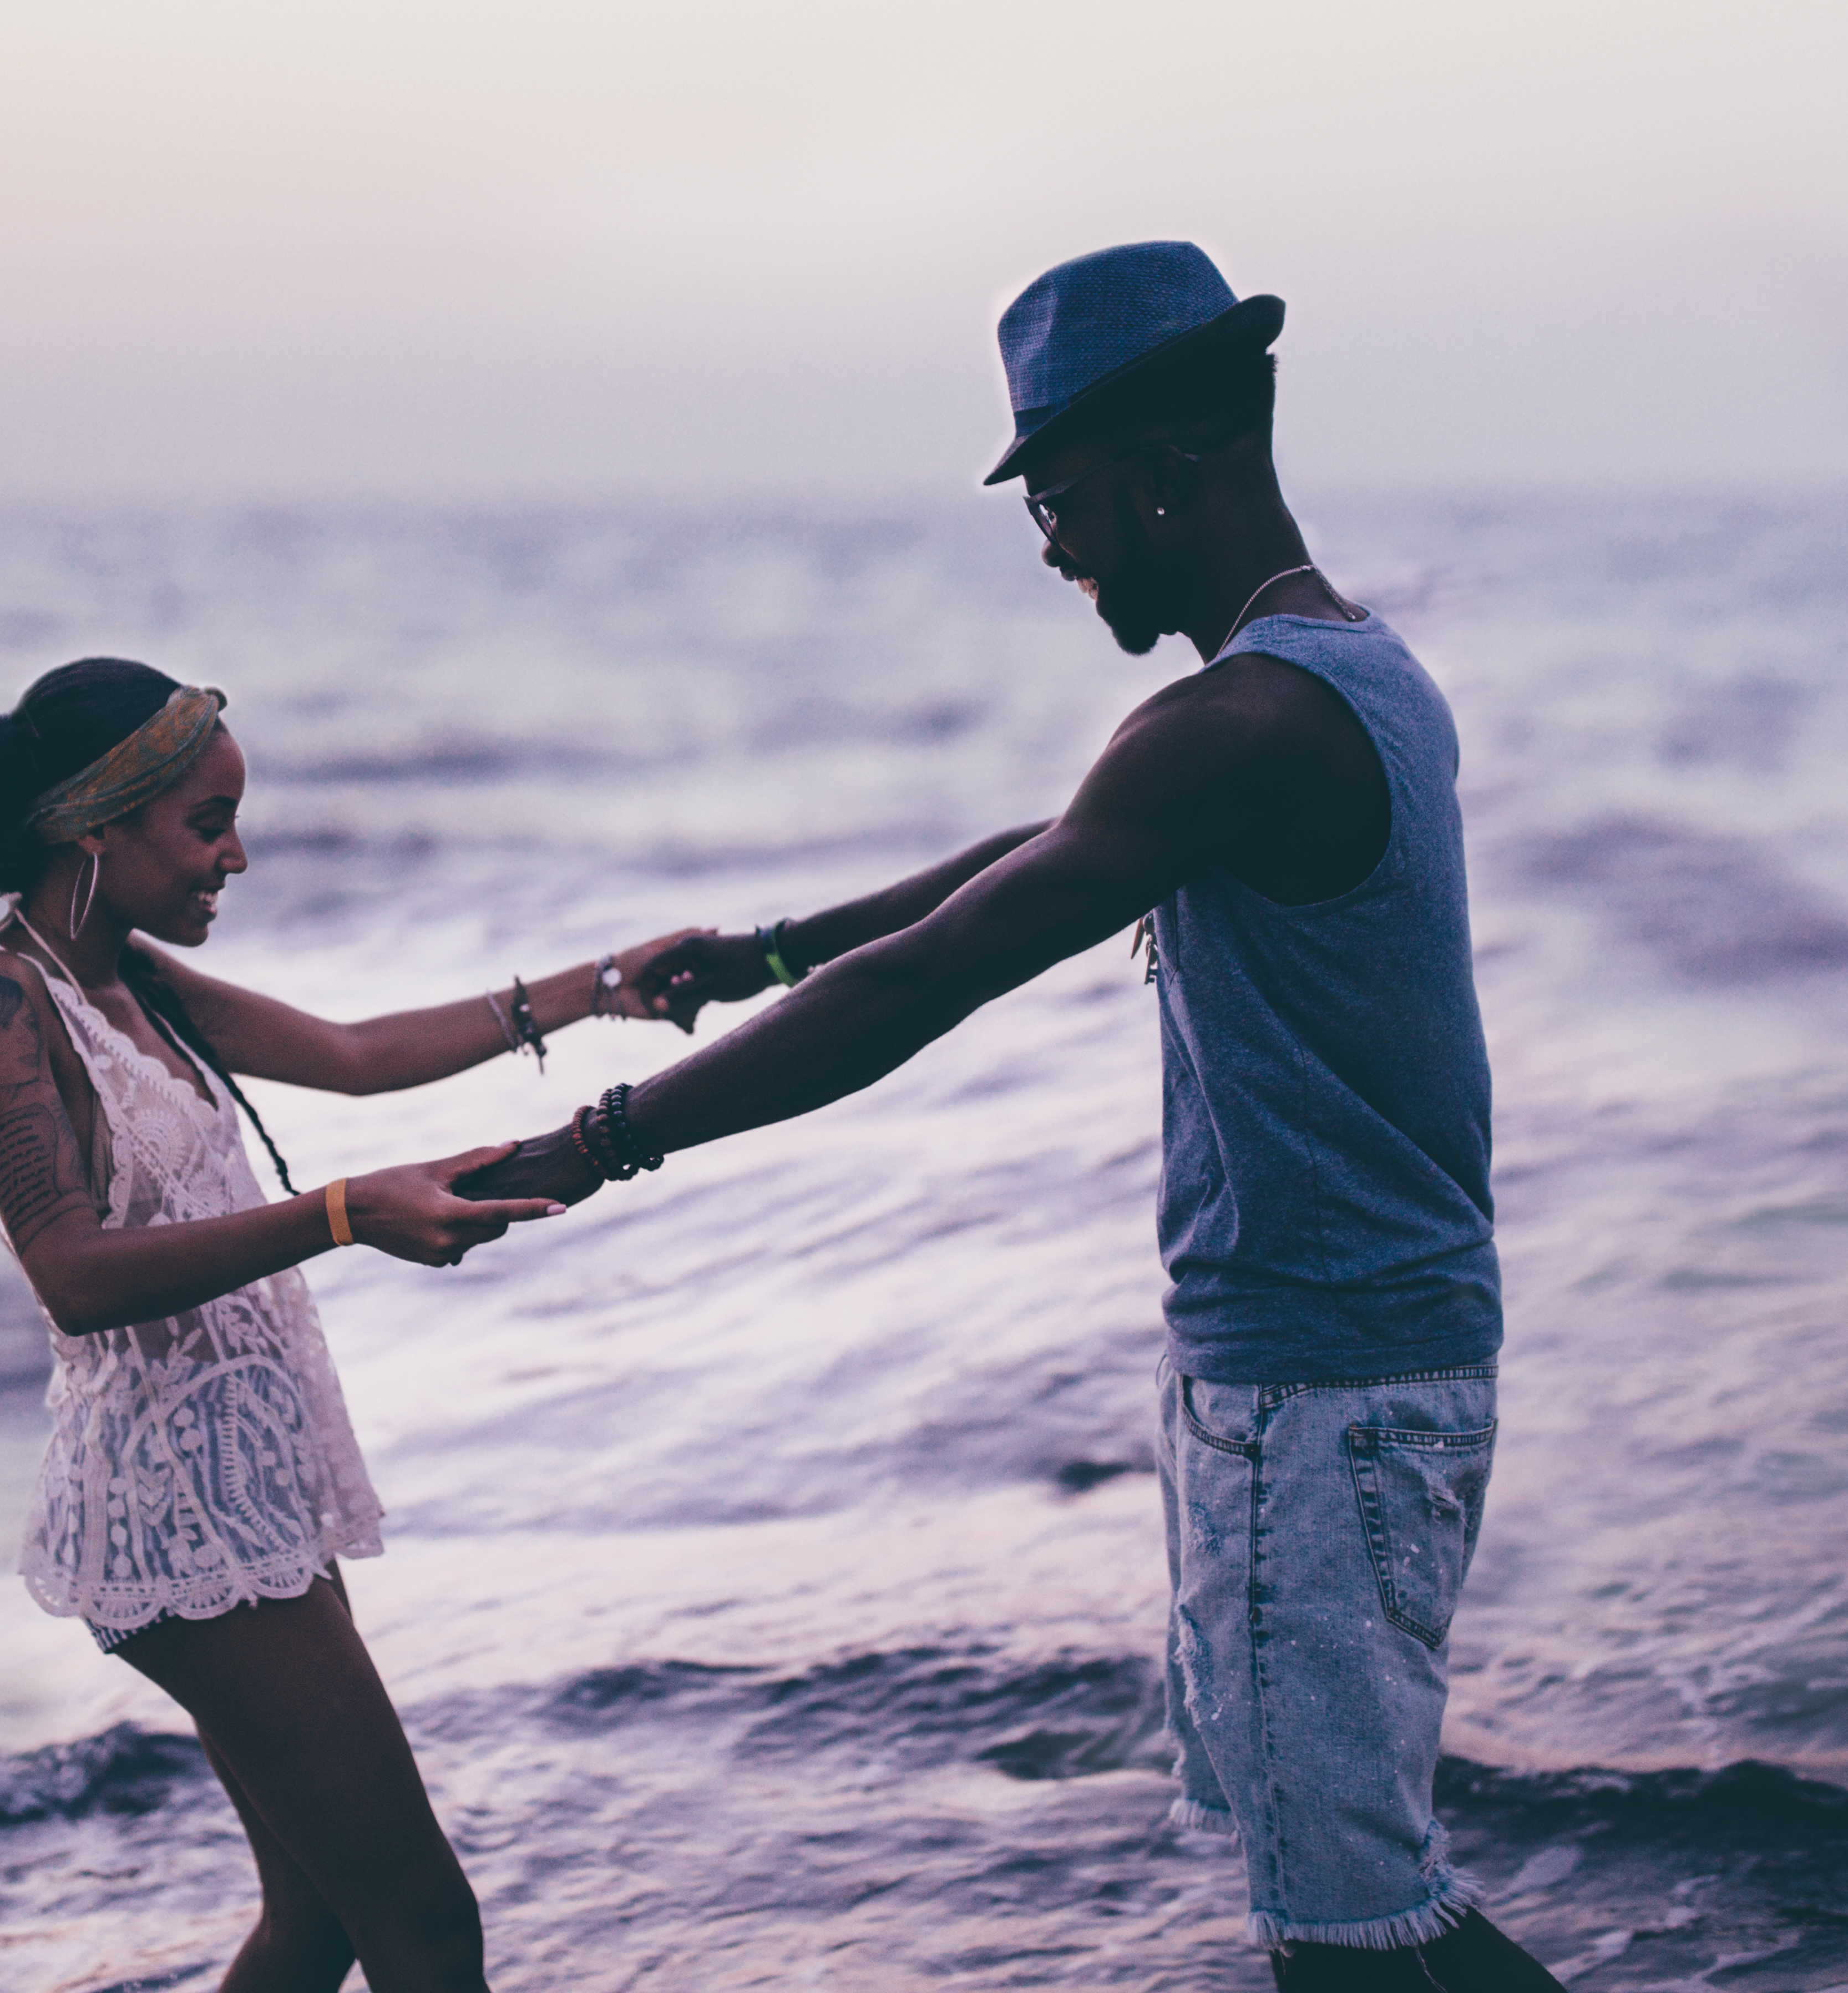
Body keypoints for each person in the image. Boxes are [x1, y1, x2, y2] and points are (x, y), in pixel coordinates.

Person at [464, 242, 1567, 1990]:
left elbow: (926, 984)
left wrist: (595, 1144)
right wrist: (766, 951)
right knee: (1360, 1904)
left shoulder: (1231, 725)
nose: (1050, 547)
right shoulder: (1336, 673)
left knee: (1351, 1934)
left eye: (1055, 501)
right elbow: (1045, 856)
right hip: (1351, 1366)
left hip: (1316, 1393)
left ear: (1162, 474)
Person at [0, 655, 694, 1993]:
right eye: (207, 824)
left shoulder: (131, 974)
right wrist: (342, 1213)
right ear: (98, 824)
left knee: (320, 1922)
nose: (236, 856)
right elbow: (73, 1274)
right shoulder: (2, 1001)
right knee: (426, 1925)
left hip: (250, 1479)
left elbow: (351, 1055)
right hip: (174, 1498)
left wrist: (601, 984)